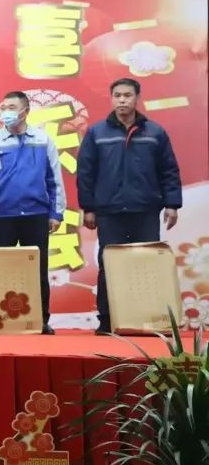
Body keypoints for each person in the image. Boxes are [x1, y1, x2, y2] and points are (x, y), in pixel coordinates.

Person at [77, 77, 182, 334]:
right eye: (117, 96)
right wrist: (88, 208)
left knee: (146, 266)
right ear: (111, 99)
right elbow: (86, 173)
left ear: (137, 98)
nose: (122, 100)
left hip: (145, 209)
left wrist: (172, 204)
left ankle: (146, 320)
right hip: (109, 211)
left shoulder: (155, 133)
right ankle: (106, 320)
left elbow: (169, 170)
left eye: (127, 95)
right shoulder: (97, 133)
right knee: (109, 266)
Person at [0, 90, 66, 334]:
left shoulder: (43, 140)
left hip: (36, 215)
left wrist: (56, 213)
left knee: (37, 271)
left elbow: (54, 179)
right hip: (1, 216)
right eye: (3, 108)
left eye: (12, 108)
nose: (6, 112)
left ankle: (40, 320)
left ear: (26, 111)